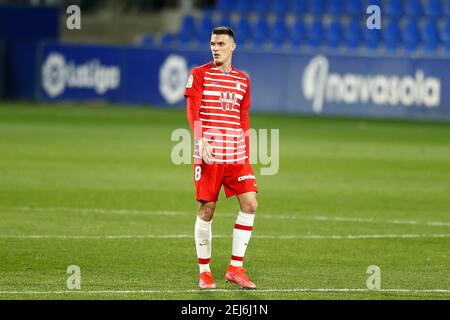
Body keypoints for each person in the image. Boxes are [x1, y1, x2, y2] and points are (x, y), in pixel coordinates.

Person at [184, 26, 258, 289]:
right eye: (213, 43)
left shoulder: (242, 80)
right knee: (207, 209)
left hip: (236, 153)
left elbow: (243, 116)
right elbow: (192, 110)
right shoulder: (200, 74)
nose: (215, 47)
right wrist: (200, 138)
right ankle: (204, 271)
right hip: (209, 153)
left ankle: (235, 268)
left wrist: (246, 149)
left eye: (221, 43)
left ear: (232, 47)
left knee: (250, 204)